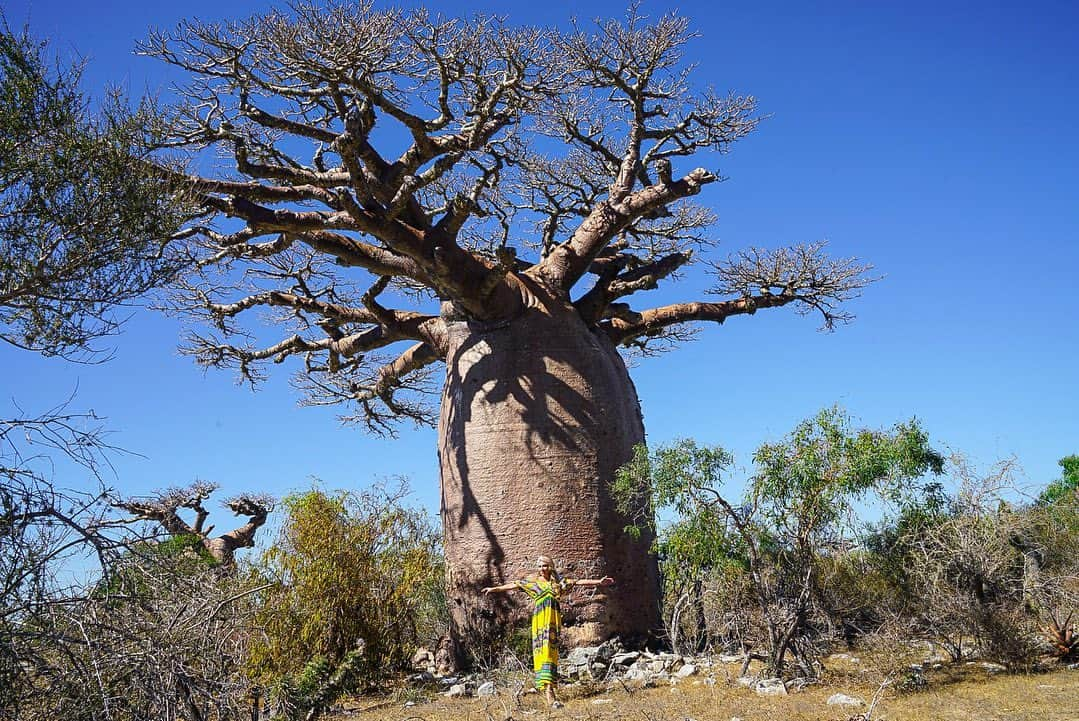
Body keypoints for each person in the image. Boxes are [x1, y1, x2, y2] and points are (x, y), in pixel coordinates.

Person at [483, 555, 614, 709]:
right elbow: (514, 585)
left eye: (544, 565)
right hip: (540, 622)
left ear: (550, 567)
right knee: (542, 654)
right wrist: (493, 589)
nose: (542, 569)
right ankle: (549, 692)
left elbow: (578, 582)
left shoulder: (557, 585)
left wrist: (598, 582)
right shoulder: (535, 585)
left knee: (551, 654)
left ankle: (547, 687)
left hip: (553, 623)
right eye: (539, 566)